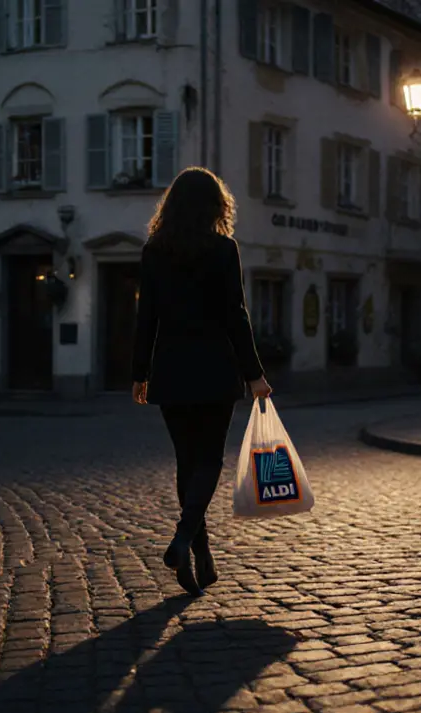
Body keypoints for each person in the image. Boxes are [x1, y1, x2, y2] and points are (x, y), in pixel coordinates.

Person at [130, 166, 273, 597]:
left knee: (186, 463)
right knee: (208, 460)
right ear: (216, 205)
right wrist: (255, 375)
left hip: (171, 370)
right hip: (214, 368)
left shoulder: (155, 250)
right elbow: (236, 316)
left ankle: (201, 555)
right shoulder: (223, 249)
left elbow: (146, 318)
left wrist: (140, 372)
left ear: (170, 206)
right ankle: (183, 540)